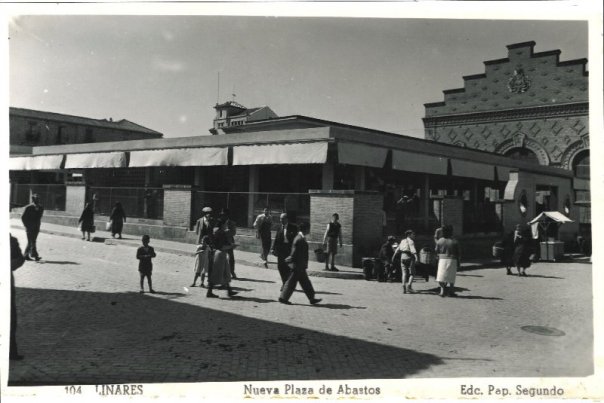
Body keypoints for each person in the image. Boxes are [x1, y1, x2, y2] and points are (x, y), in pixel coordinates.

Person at [279, 222, 322, 305]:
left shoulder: (300, 238)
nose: (309, 230)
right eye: (308, 229)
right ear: (305, 229)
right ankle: (283, 298)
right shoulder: (299, 239)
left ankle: (312, 298)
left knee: (306, 283)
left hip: (300, 266)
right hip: (297, 266)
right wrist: (291, 260)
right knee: (291, 282)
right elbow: (294, 253)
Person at [206, 219, 238, 298]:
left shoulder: (218, 232)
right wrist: (232, 246)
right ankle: (209, 292)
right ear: (222, 225)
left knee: (226, 273)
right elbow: (221, 246)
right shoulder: (221, 233)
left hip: (221, 254)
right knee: (216, 274)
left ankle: (229, 291)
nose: (226, 226)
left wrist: (230, 244)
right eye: (225, 225)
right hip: (220, 254)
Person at [271, 213, 299, 286]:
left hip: (289, 250)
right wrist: (273, 248)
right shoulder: (279, 228)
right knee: (280, 267)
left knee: (289, 267)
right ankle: (284, 282)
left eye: (283, 219)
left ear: (287, 219)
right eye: (280, 219)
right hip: (281, 250)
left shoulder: (293, 227)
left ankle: (287, 284)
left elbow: (296, 239)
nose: (281, 220)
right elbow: (276, 239)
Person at [10, 234, 25, 360]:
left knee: (9, 317)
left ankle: (11, 351)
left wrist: (6, 266)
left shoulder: (10, 240)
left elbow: (19, 259)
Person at [435, 225, 461, 297]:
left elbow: (436, 250)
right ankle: (451, 291)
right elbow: (458, 253)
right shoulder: (454, 241)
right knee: (451, 276)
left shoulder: (440, 241)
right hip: (452, 259)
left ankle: (442, 291)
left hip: (442, 259)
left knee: (441, 276)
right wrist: (459, 261)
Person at [21, 193, 44, 261]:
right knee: (32, 241)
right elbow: (23, 217)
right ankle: (35, 255)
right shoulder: (28, 207)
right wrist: (27, 226)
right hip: (29, 227)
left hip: (36, 227)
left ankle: (25, 255)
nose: (38, 200)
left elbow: (40, 216)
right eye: (36, 199)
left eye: (38, 199)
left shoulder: (41, 207)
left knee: (31, 241)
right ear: (33, 199)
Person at [221, 208, 238, 279]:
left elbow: (233, 232)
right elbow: (216, 230)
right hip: (221, 242)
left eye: (224, 215)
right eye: (222, 215)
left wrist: (224, 232)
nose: (222, 216)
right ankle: (221, 272)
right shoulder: (220, 222)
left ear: (227, 215)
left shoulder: (232, 223)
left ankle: (232, 272)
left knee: (231, 258)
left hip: (229, 242)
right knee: (220, 257)